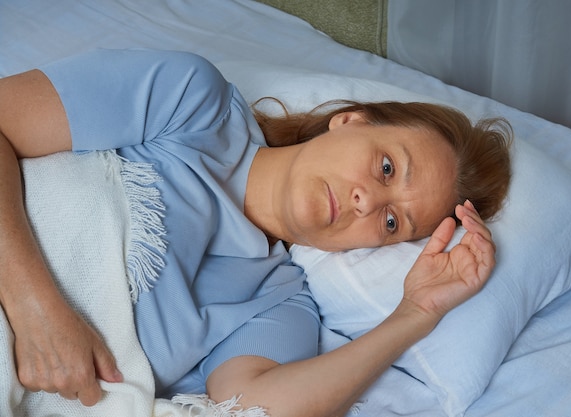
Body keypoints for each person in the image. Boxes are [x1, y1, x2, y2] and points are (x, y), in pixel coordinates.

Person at [0, 49, 511, 417]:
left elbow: (259, 409)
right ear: (350, 121)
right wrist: (37, 311)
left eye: (393, 223)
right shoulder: (192, 103)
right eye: (385, 168)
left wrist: (414, 315)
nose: (369, 202)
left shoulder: (278, 303)